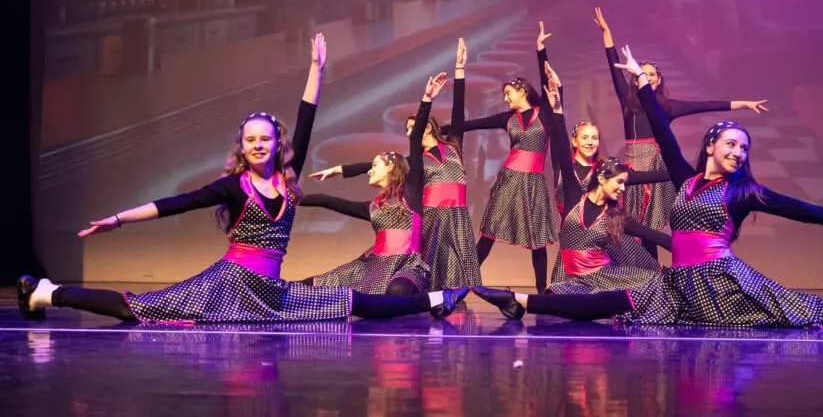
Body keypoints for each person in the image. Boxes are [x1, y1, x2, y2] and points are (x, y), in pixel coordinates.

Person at [472, 44, 823, 330]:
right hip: (678, 284)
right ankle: (522, 300)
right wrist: (641, 85)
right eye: (732, 145)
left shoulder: (745, 193)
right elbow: (663, 132)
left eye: (744, 149)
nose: (739, 153)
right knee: (617, 302)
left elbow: (808, 211)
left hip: (723, 280)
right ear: (712, 146)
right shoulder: (686, 180)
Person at [17, 34, 465, 323]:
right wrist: (116, 220)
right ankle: (47, 293)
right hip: (228, 282)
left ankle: (432, 300)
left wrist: (316, 70)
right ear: (241, 146)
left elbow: (306, 120)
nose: (257, 145)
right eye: (249, 139)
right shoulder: (234, 187)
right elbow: (174, 204)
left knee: (355, 303)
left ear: (276, 144)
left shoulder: (287, 182)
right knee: (138, 308)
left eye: (265, 139)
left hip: (271, 291)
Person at [594, 7, 767, 257]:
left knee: (654, 225)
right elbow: (613, 67)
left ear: (659, 79)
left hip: (656, 166)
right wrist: (607, 34)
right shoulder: (627, 101)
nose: (648, 78)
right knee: (635, 227)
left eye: (653, 74)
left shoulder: (669, 106)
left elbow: (706, 105)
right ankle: (644, 273)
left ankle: (680, 264)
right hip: (634, 167)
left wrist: (743, 104)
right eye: (644, 74)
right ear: (635, 78)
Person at [310, 39, 481, 290]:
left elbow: (458, 112)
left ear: (429, 127)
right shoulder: (416, 161)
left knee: (459, 272)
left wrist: (459, 71)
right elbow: (377, 164)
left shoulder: (453, 144)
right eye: (407, 129)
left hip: (457, 214)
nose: (411, 132)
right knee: (433, 273)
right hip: (431, 216)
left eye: (415, 127)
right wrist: (340, 169)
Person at [442, 23, 559, 293]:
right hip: (508, 180)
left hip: (533, 184)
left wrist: (540, 49)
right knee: (488, 236)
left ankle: (542, 293)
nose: (505, 99)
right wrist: (440, 129)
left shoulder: (545, 113)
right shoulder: (508, 119)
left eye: (508, 93)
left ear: (522, 91)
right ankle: (461, 286)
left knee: (537, 242)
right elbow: (469, 124)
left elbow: (546, 80)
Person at [541, 62, 670, 296]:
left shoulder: (605, 171)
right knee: (561, 305)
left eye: (595, 138)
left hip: (600, 248)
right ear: (575, 141)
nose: (590, 142)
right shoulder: (566, 173)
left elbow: (641, 177)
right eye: (585, 137)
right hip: (570, 252)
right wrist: (557, 102)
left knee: (640, 279)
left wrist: (682, 171)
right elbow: (558, 135)